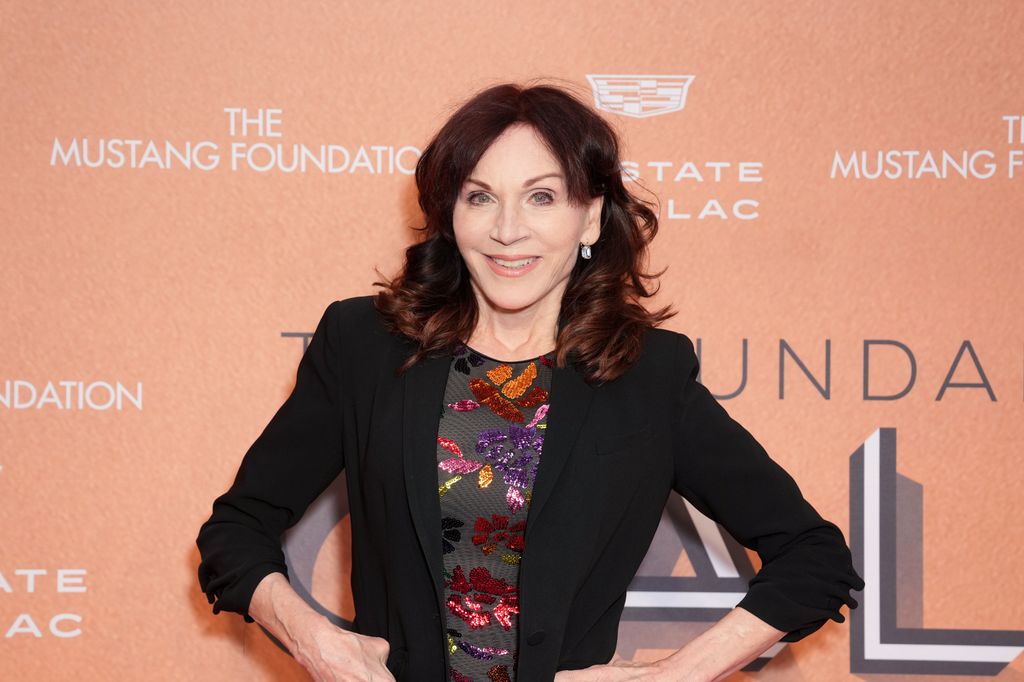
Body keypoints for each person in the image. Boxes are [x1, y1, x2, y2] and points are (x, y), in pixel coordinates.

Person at [195, 80, 864, 682]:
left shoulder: (647, 374)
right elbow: (236, 531)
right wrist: (316, 642)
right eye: (480, 197)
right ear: (449, 216)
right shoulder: (365, 346)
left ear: (592, 216)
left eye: (541, 197)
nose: (508, 231)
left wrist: (676, 675)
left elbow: (814, 559)